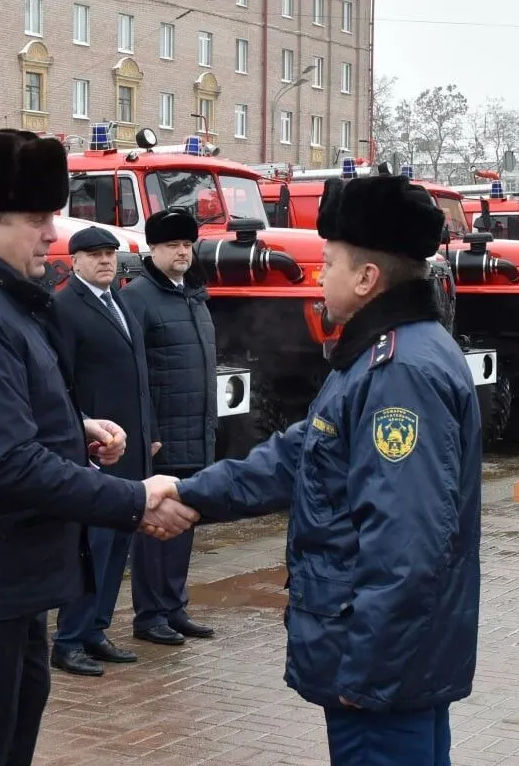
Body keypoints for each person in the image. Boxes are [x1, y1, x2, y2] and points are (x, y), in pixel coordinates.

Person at [0, 128, 199, 766]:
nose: (49, 234)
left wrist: (76, 428)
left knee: (14, 726)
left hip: (9, 566)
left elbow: (10, 411)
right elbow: (6, 460)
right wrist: (131, 499)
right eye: (36, 220)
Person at [170, 174, 483, 765]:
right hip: (390, 664)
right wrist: (192, 492)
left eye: (330, 263)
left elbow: (406, 547)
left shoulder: (399, 372)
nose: (319, 274)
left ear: (367, 278)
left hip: (380, 673)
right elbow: (303, 453)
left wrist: (367, 675)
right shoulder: (380, 352)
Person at [49, 226, 155, 676]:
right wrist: (81, 436)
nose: (106, 261)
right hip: (95, 449)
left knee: (118, 544)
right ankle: (69, 639)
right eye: (94, 255)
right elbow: (60, 382)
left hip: (130, 446)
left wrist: (149, 431)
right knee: (92, 546)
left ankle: (96, 629)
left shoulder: (122, 301)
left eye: (110, 253)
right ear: (74, 261)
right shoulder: (64, 307)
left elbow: (137, 373)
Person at [119, 208, 218, 645]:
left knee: (186, 520)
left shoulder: (193, 296)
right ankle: (150, 613)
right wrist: (150, 429)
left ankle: (174, 606)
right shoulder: (138, 297)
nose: (182, 252)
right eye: (173, 245)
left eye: (186, 244)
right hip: (162, 437)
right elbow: (135, 371)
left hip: (196, 429)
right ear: (153, 248)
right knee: (157, 525)